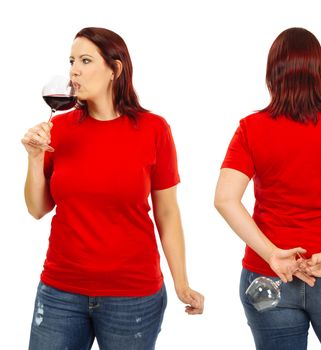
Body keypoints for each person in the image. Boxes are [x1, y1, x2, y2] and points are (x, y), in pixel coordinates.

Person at [22, 27, 204, 350]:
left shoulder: (154, 130)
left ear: (114, 70)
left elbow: (167, 212)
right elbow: (37, 209)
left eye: (86, 60)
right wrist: (35, 159)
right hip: (61, 291)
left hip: (132, 297)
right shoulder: (58, 129)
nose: (74, 70)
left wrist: (181, 282)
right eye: (72, 61)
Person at [214, 27, 321, 350]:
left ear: (272, 73)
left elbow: (225, 198)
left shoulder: (251, 129)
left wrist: (272, 255)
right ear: (320, 72)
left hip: (267, 274)